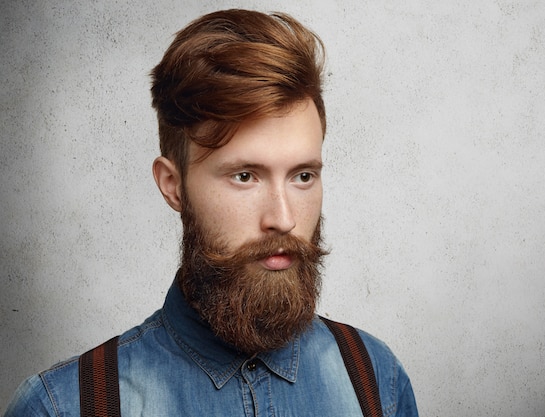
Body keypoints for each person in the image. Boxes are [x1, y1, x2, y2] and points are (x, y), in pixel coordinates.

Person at [5, 9, 418, 416]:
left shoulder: (378, 381)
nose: (284, 218)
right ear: (173, 185)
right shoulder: (63, 407)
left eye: (303, 175)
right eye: (244, 176)